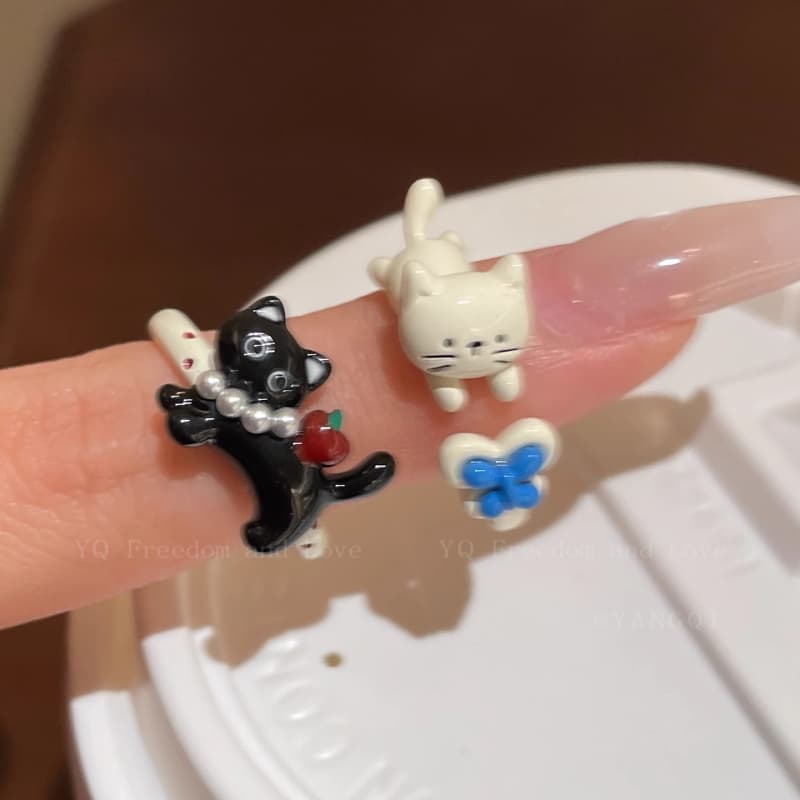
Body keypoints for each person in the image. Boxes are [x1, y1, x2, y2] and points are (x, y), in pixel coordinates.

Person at [0, 195, 798, 628]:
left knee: (322, 481)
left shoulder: (310, 390)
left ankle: (316, 503)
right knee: (299, 495)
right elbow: (207, 422)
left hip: (318, 455)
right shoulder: (272, 391)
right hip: (286, 471)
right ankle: (304, 511)